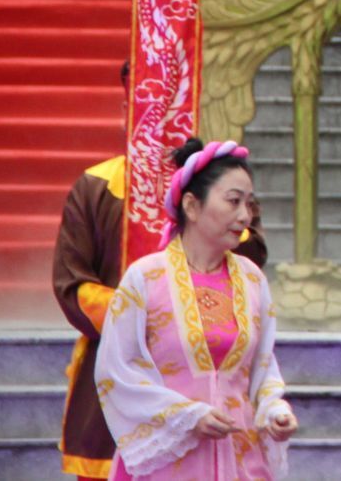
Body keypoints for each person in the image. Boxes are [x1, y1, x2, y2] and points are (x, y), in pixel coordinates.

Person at [53, 63, 268, 481]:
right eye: (140, 105)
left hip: (209, 372)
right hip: (117, 370)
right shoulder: (97, 185)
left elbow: (251, 255)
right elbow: (71, 284)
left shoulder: (217, 187)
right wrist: (151, 316)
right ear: (125, 109)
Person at [95, 139, 295, 479]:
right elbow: (116, 371)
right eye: (233, 201)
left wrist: (274, 410)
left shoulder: (252, 280)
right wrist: (185, 415)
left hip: (241, 459)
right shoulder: (145, 278)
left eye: (249, 204)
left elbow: (263, 370)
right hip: (169, 463)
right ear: (191, 205)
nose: (245, 216)